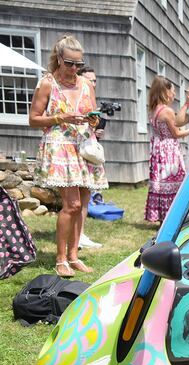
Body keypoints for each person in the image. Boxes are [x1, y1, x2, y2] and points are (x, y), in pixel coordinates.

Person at [29, 35, 106, 278]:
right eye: (69, 63)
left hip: (83, 146)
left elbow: (93, 114)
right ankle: (60, 258)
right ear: (59, 59)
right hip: (60, 145)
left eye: (78, 64)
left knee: (82, 204)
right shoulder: (47, 83)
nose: (74, 69)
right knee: (70, 205)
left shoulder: (86, 84)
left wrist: (95, 121)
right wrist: (60, 118)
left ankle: (74, 256)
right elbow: (33, 119)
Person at [145, 76, 189, 224]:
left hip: (159, 150)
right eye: (173, 91)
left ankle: (161, 215)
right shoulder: (167, 111)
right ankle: (172, 217)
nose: (174, 94)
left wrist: (186, 104)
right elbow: (176, 133)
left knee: (161, 183)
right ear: (165, 91)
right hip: (169, 150)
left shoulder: (153, 109)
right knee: (173, 182)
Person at [76, 65, 103, 249]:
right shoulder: (75, 97)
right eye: (89, 79)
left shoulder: (90, 99)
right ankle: (75, 237)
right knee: (76, 198)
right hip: (74, 150)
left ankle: (80, 234)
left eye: (94, 80)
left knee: (86, 193)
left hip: (88, 149)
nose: (92, 83)